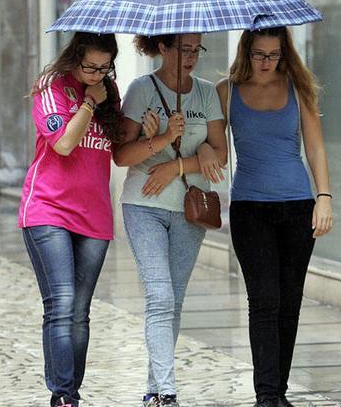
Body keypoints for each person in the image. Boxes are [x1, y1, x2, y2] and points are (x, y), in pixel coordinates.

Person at [216, 27, 333, 407]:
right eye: (259, 54)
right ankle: (267, 395)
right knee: (264, 299)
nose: (266, 63)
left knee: (289, 301)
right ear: (245, 51)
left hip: (298, 207)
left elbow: (315, 147)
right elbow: (214, 146)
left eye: (274, 55)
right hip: (250, 208)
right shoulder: (226, 92)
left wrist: (324, 198)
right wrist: (199, 149)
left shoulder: (298, 88)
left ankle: (278, 392)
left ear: (284, 54)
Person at [113, 33, 227, 407]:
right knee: (160, 295)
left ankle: (154, 390)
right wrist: (164, 138)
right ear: (163, 48)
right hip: (143, 205)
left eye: (197, 49)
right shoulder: (141, 89)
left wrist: (178, 164)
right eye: (184, 49)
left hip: (189, 207)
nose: (192, 57)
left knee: (173, 301)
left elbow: (220, 155)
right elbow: (122, 156)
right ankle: (168, 390)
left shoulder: (207, 92)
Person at [18, 32, 124, 407]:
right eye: (90, 66)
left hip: (94, 216)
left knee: (80, 312)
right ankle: (64, 397)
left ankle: (71, 391)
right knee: (61, 304)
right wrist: (88, 106)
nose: (97, 74)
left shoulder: (109, 92)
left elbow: (118, 153)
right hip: (48, 209)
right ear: (74, 57)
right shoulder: (51, 85)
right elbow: (63, 144)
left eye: (105, 67)